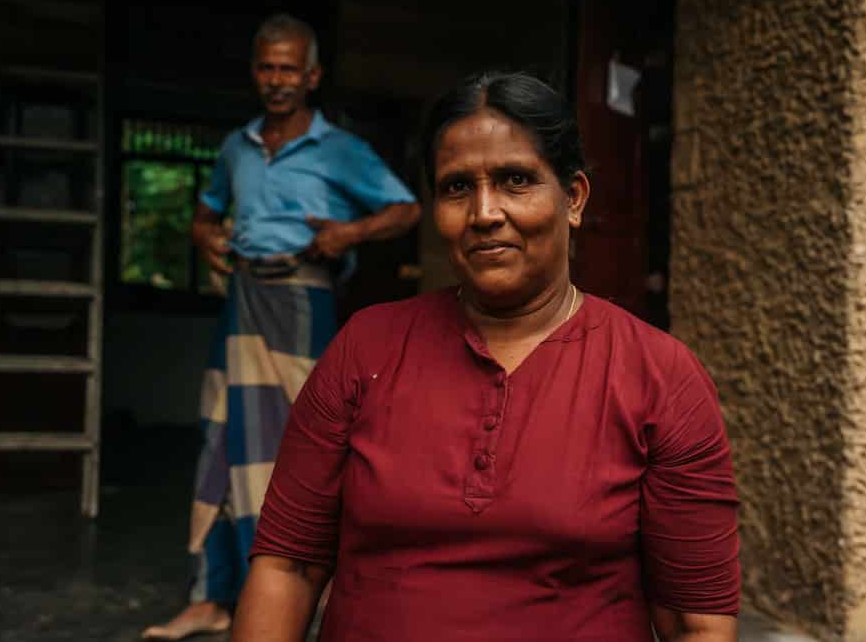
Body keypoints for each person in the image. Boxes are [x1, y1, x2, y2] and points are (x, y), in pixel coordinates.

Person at [233, 72, 740, 642]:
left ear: (572, 199)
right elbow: (288, 567)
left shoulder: (659, 376)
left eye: (515, 180)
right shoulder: (365, 348)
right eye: (456, 188)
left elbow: (695, 625)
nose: (483, 213)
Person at [142, 14, 420, 640]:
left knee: (306, 445)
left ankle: (301, 599)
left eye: (288, 68)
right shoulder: (237, 146)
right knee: (223, 438)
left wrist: (349, 233)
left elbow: (407, 207)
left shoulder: (340, 149)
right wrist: (206, 235)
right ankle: (211, 596)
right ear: (255, 72)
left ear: (312, 76)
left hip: (303, 301)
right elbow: (205, 214)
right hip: (242, 297)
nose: (276, 80)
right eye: (267, 67)